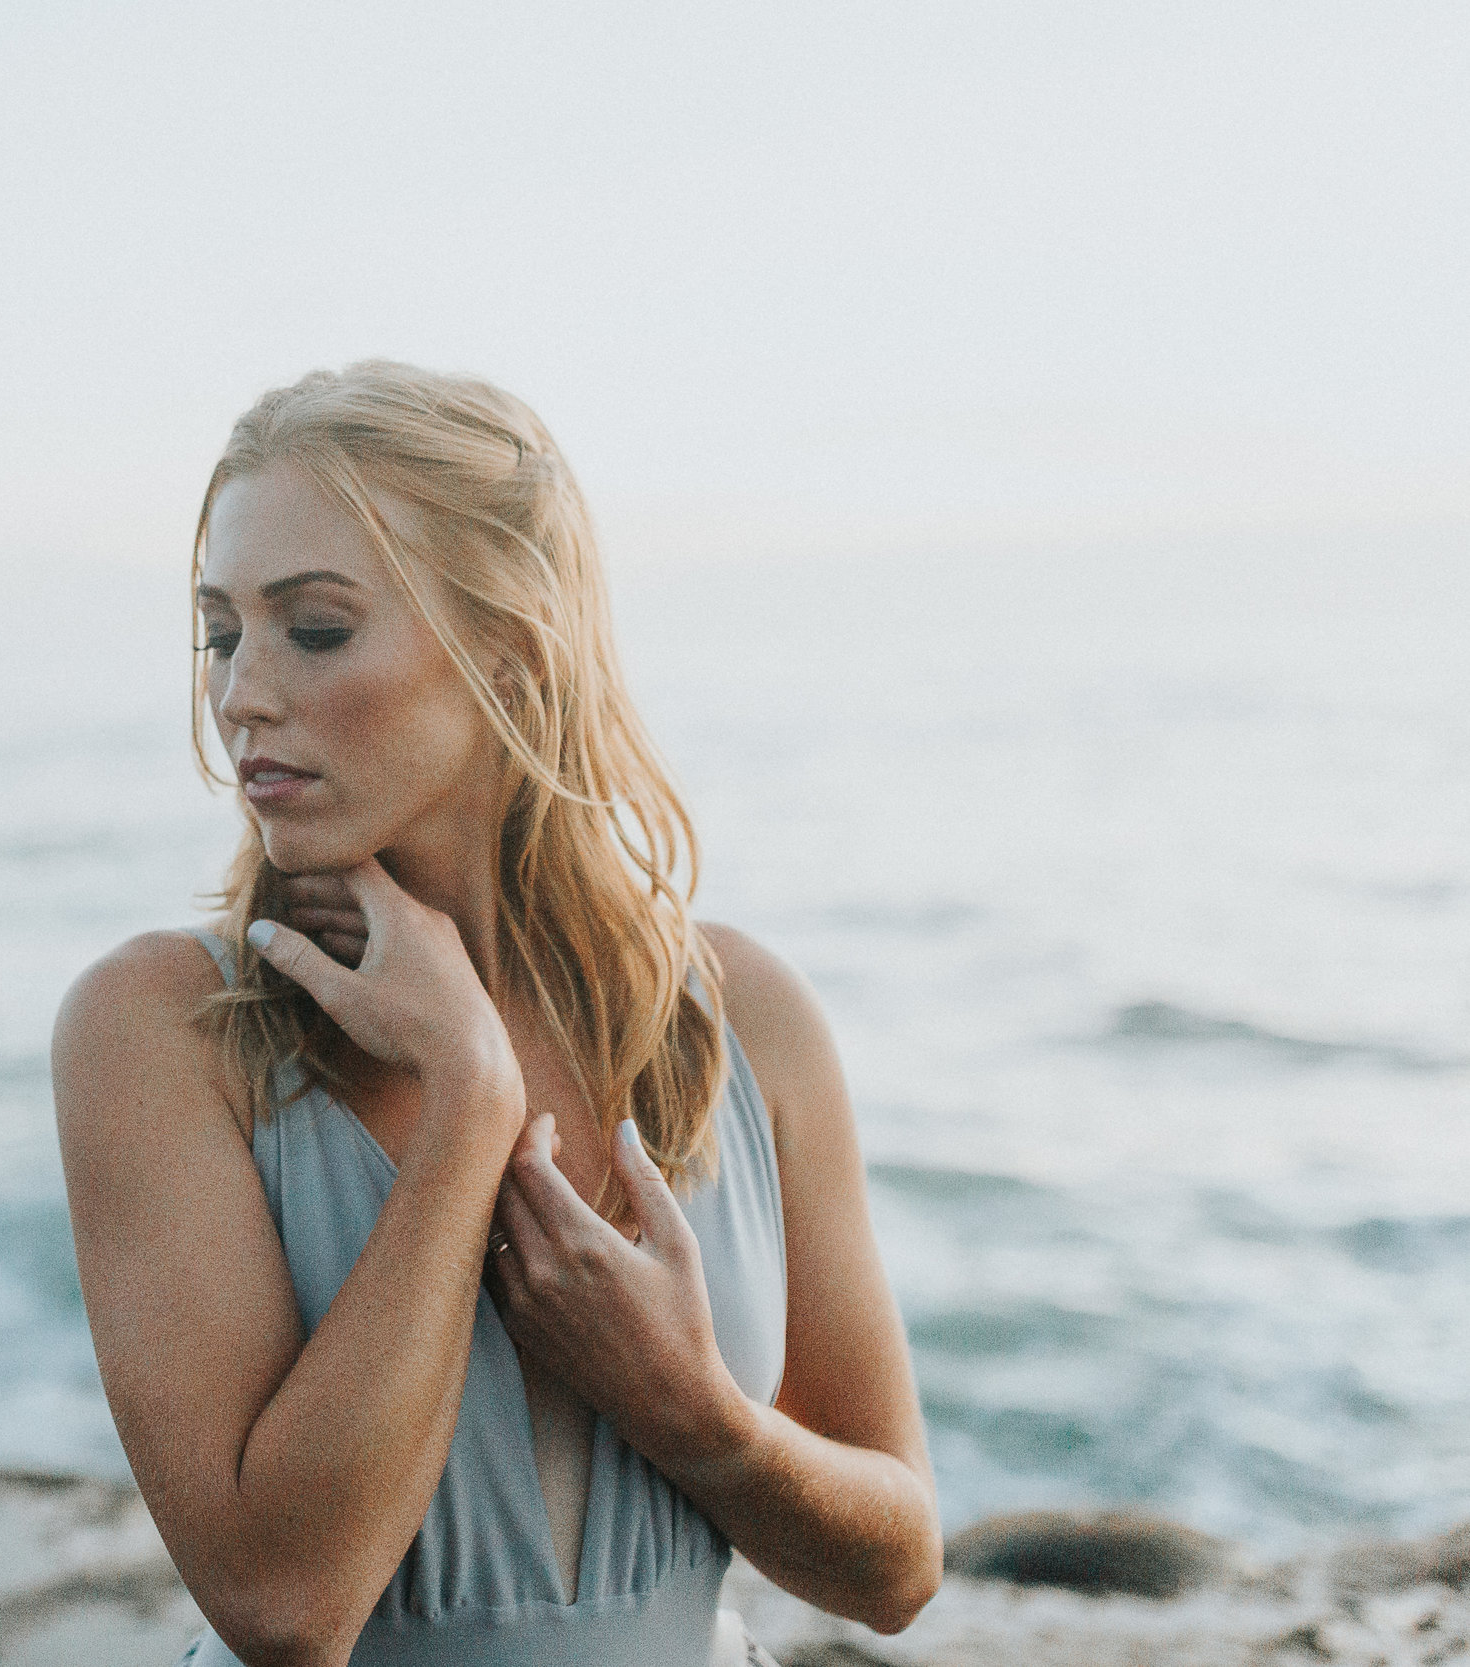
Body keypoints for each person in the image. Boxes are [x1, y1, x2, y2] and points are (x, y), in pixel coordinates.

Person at [53, 362, 940, 1667]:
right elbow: (286, 1607)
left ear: (513, 659)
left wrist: (699, 1416)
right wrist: (470, 1099)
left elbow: (899, 1570)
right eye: (219, 630)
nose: (240, 691)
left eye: (312, 628)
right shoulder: (161, 1029)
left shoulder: (747, 1017)